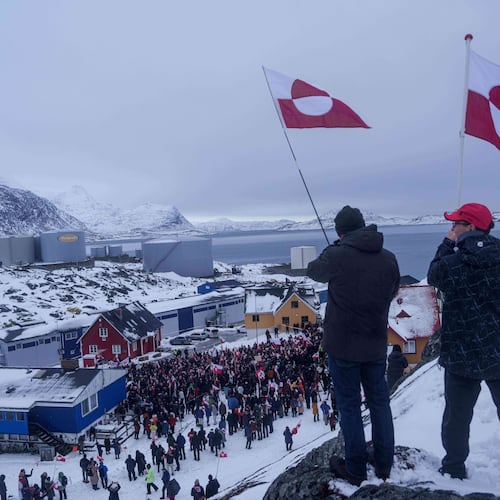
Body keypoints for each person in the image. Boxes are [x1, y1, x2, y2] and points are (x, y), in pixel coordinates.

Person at [307, 205, 400, 486]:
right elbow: (393, 290)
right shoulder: (389, 258)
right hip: (374, 343)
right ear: (363, 227)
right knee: (379, 403)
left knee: (349, 406)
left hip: (343, 345)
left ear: (340, 232)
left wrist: (335, 249)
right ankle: (384, 463)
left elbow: (314, 271)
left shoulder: (336, 255)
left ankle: (356, 468)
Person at [427, 202, 500, 480]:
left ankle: (454, 467)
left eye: (456, 224)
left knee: (457, 416)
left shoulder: (453, 262)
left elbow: (434, 274)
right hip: (498, 349)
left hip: (461, 352)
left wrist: (447, 243)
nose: (452, 228)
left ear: (469, 227)